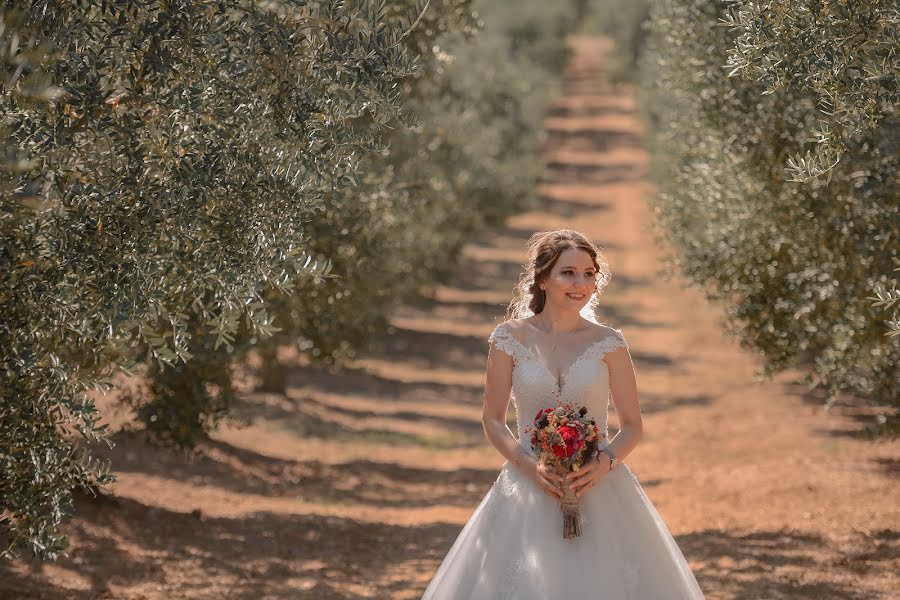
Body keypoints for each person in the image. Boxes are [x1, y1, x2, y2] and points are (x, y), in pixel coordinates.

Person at [420, 229, 705, 599]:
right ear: (543, 279)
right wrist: (529, 466)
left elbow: (633, 425)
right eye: (568, 272)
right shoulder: (509, 339)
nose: (581, 284)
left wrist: (603, 464)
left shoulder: (609, 343)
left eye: (589, 274)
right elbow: (493, 419)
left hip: (598, 485)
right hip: (528, 484)